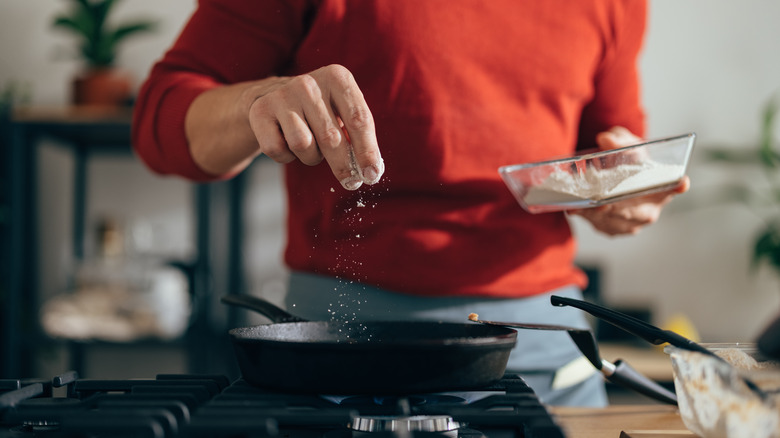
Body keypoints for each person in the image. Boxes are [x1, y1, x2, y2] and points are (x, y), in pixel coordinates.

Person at [132, 0, 688, 406]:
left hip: (544, 349)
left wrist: (622, 193)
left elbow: (613, 150)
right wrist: (256, 102)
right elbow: (160, 120)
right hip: (341, 348)